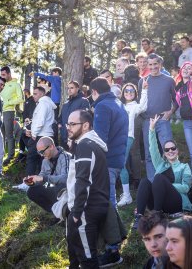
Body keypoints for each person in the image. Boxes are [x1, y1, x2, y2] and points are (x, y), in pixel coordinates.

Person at [65, 110, 110, 268]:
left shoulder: (85, 145)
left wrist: (77, 213)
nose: (68, 127)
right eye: (67, 124)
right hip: (87, 208)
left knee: (87, 259)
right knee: (76, 255)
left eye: (72, 124)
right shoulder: (87, 144)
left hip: (86, 210)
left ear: (85, 126)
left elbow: (83, 181)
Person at [134, 114, 192, 228]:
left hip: (176, 203)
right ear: (165, 153)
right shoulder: (161, 164)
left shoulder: (184, 167)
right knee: (144, 182)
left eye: (173, 148)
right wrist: (151, 129)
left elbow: (186, 188)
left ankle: (156, 215)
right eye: (167, 149)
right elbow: (153, 149)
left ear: (177, 151)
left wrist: (167, 186)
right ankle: (139, 216)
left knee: (159, 179)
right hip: (159, 201)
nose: (170, 151)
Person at [138, 53, 177, 182]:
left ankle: (173, 181)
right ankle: (153, 183)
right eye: (150, 64)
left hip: (162, 120)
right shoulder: (143, 81)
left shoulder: (169, 80)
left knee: (169, 150)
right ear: (147, 65)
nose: (153, 66)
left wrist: (170, 112)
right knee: (149, 154)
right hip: (148, 121)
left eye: (156, 64)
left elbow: (177, 101)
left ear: (160, 64)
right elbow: (140, 102)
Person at [90, 77, 128, 207]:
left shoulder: (102, 106)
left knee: (108, 202)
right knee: (108, 199)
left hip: (107, 160)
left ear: (94, 91)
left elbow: (100, 139)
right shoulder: (119, 104)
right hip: (118, 158)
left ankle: (115, 227)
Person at [117, 82, 148, 207]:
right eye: (126, 91)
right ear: (123, 93)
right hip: (117, 138)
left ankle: (127, 196)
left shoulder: (135, 106)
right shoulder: (119, 105)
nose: (129, 92)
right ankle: (125, 194)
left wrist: (145, 90)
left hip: (128, 137)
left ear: (135, 94)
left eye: (131, 91)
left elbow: (144, 106)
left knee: (121, 163)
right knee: (120, 165)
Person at [23, 136, 70, 214]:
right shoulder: (45, 160)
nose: (41, 155)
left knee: (58, 187)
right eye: (39, 153)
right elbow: (41, 178)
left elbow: (66, 179)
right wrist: (32, 182)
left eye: (42, 152)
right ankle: (55, 213)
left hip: (66, 190)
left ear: (51, 146)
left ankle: (64, 213)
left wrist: (43, 178)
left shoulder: (65, 156)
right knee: (32, 191)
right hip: (53, 187)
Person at [25, 86, 56, 175]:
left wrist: (34, 134)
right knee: (42, 161)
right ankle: (38, 183)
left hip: (40, 136)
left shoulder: (43, 103)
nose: (33, 96)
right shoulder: (47, 103)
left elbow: (40, 121)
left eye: (35, 94)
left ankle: (28, 182)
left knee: (32, 159)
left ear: (42, 94)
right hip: (45, 135)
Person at [0, 66, 24, 165]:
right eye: (1, 74)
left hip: (9, 111)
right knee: (2, 135)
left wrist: (9, 102)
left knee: (9, 135)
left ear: (9, 74)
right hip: (0, 112)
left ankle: (10, 156)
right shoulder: (2, 84)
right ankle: (0, 154)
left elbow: (21, 98)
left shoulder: (16, 85)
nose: (2, 76)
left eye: (4, 74)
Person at [58, 81, 90, 150]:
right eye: (68, 88)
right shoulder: (65, 104)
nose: (69, 90)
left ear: (77, 88)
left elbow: (85, 119)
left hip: (77, 139)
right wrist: (61, 127)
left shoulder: (83, 101)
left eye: (72, 88)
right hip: (64, 138)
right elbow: (60, 119)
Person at [16, 88, 36, 162]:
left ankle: (25, 152)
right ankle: (21, 152)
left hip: (29, 121)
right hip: (26, 120)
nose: (23, 93)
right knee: (22, 134)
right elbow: (25, 111)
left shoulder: (31, 100)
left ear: (27, 92)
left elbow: (31, 111)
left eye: (24, 92)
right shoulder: (27, 100)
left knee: (23, 134)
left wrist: (29, 120)